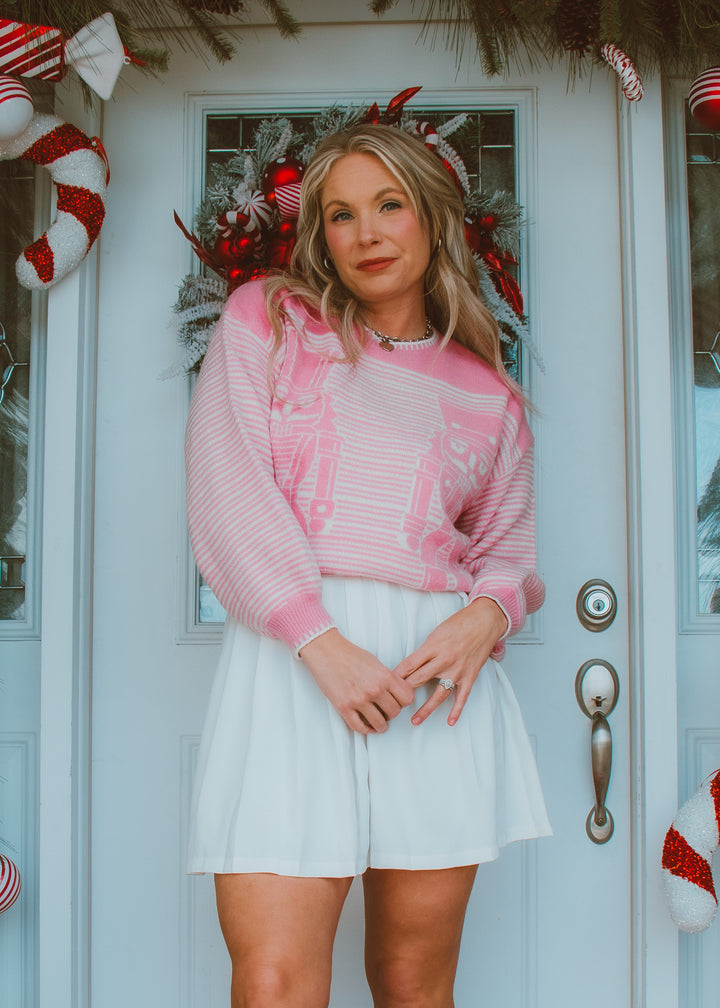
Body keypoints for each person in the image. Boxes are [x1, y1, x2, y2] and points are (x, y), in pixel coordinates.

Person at [184, 121, 551, 1008]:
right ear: (320, 233)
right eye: (341, 214)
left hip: (432, 691)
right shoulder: (270, 320)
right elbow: (228, 488)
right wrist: (319, 642)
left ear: (433, 217)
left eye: (389, 205)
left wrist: (488, 615)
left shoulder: (488, 394)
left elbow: (509, 554)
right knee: (272, 983)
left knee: (414, 984)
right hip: (291, 665)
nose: (366, 233)